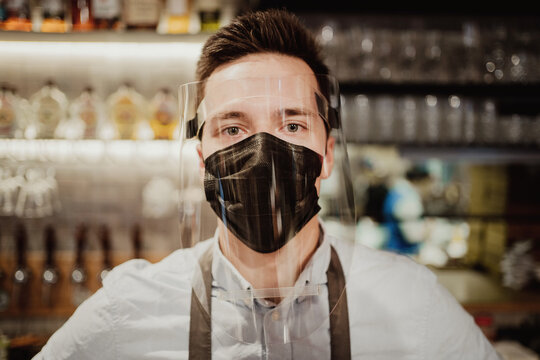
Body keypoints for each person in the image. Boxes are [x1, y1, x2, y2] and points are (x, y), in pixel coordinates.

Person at [34, 9, 500, 359]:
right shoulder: (129, 309)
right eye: (232, 129)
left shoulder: (413, 303)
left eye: (292, 126)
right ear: (202, 160)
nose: (262, 151)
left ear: (328, 155)